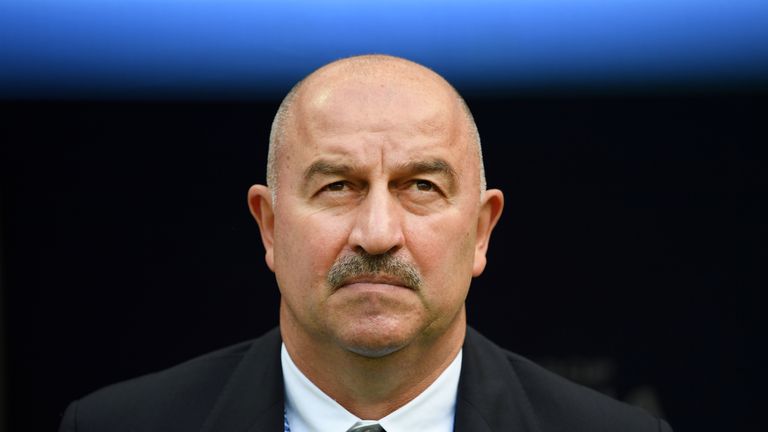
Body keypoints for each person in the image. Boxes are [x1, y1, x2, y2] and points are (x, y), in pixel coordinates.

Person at [59, 55, 673, 432]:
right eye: (337, 186)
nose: (378, 233)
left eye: (421, 186)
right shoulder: (119, 425)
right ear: (269, 226)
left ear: (481, 231)